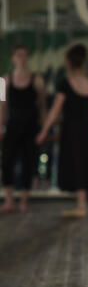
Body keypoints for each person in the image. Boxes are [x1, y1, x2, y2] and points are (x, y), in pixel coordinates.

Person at [36, 44, 88, 217]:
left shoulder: (65, 83)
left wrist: (43, 131)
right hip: (85, 130)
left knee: (76, 163)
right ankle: (82, 203)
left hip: (71, 129)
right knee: (83, 163)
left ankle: (81, 205)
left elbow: (55, 111)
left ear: (69, 63)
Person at [0, 44, 46, 213]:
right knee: (7, 162)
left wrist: (43, 128)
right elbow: (1, 105)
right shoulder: (4, 80)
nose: (22, 58)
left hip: (31, 126)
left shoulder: (37, 80)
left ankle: (24, 201)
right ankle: (9, 200)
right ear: (13, 58)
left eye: (25, 55)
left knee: (28, 162)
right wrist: (1, 126)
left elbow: (42, 105)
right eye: (19, 55)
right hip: (12, 126)